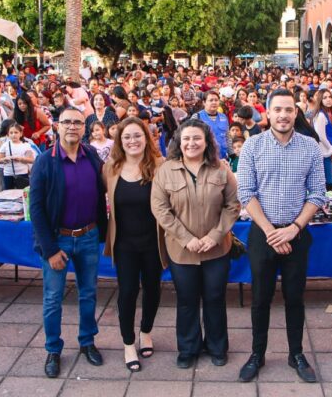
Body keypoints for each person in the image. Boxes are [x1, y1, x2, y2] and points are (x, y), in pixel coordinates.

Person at [236, 88, 327, 384]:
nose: (284, 115)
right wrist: (271, 232)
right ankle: (257, 353)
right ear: (268, 112)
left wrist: (294, 228)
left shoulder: (310, 147)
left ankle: (296, 354)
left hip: (296, 233)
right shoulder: (253, 146)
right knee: (260, 298)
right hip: (263, 233)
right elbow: (245, 192)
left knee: (294, 298)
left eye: (289, 110)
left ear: (295, 113)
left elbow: (317, 193)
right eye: (278, 109)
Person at [151, 119, 240, 369]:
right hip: (182, 250)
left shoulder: (221, 169)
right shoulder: (166, 170)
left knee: (214, 297)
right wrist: (187, 238)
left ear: (206, 142)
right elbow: (160, 208)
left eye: (197, 138)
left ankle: (217, 346)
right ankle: (188, 348)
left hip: (217, 248)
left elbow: (233, 205)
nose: (192, 143)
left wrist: (215, 235)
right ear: (179, 142)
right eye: (187, 138)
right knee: (187, 299)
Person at [30, 107, 108, 378]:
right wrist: (50, 249)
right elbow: (36, 209)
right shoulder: (45, 161)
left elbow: (104, 192)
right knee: (53, 299)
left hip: (87, 236)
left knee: (89, 293)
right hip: (58, 240)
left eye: (77, 122)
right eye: (67, 122)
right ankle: (53, 349)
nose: (72, 126)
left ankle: (87, 342)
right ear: (57, 126)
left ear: (84, 128)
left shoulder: (92, 156)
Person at [104, 117, 164, 372]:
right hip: (125, 243)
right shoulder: (111, 167)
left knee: (153, 288)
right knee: (127, 292)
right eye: (127, 137)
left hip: (153, 242)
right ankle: (128, 342)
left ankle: (146, 331)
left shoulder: (160, 166)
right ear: (120, 141)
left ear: (146, 138)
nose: (132, 141)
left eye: (137, 135)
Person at [191, 90, 230, 159]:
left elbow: (227, 137)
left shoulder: (223, 117)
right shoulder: (197, 117)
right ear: (204, 102)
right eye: (211, 100)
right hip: (205, 158)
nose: (214, 102)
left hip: (223, 158)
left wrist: (231, 153)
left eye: (216, 100)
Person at [311, 89, 332, 189]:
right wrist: (331, 150)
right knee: (328, 182)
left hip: (327, 151)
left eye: (330, 97)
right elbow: (321, 136)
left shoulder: (327, 114)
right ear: (320, 100)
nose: (328, 100)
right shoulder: (321, 115)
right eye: (325, 98)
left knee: (329, 182)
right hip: (323, 153)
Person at [0, 123, 34, 189]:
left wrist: (21, 159)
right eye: (11, 133)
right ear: (8, 134)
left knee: (22, 192)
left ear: (21, 134)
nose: (13, 135)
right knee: (8, 193)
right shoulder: (5, 145)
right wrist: (5, 159)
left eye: (16, 132)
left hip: (22, 173)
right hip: (8, 174)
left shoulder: (26, 145)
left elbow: (31, 160)